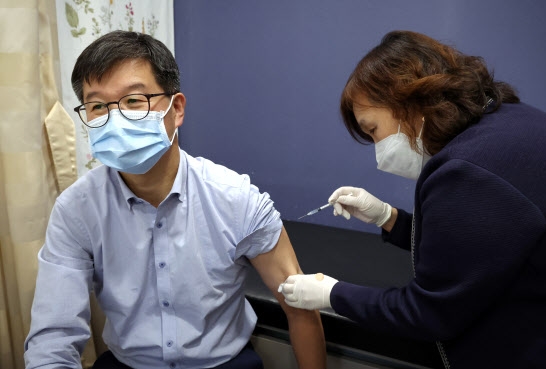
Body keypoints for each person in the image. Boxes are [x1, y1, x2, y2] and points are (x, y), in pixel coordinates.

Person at [24, 30, 326, 369]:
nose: (115, 118)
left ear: (176, 108)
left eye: (134, 101)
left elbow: (299, 307)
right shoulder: (76, 210)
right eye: (97, 106)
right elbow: (54, 337)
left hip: (223, 363)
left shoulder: (236, 200)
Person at [279, 30, 546, 368]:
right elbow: (477, 247)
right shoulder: (507, 123)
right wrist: (387, 218)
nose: (378, 154)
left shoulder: (469, 172)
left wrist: (332, 294)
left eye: (373, 130)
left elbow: (429, 313)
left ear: (409, 100)